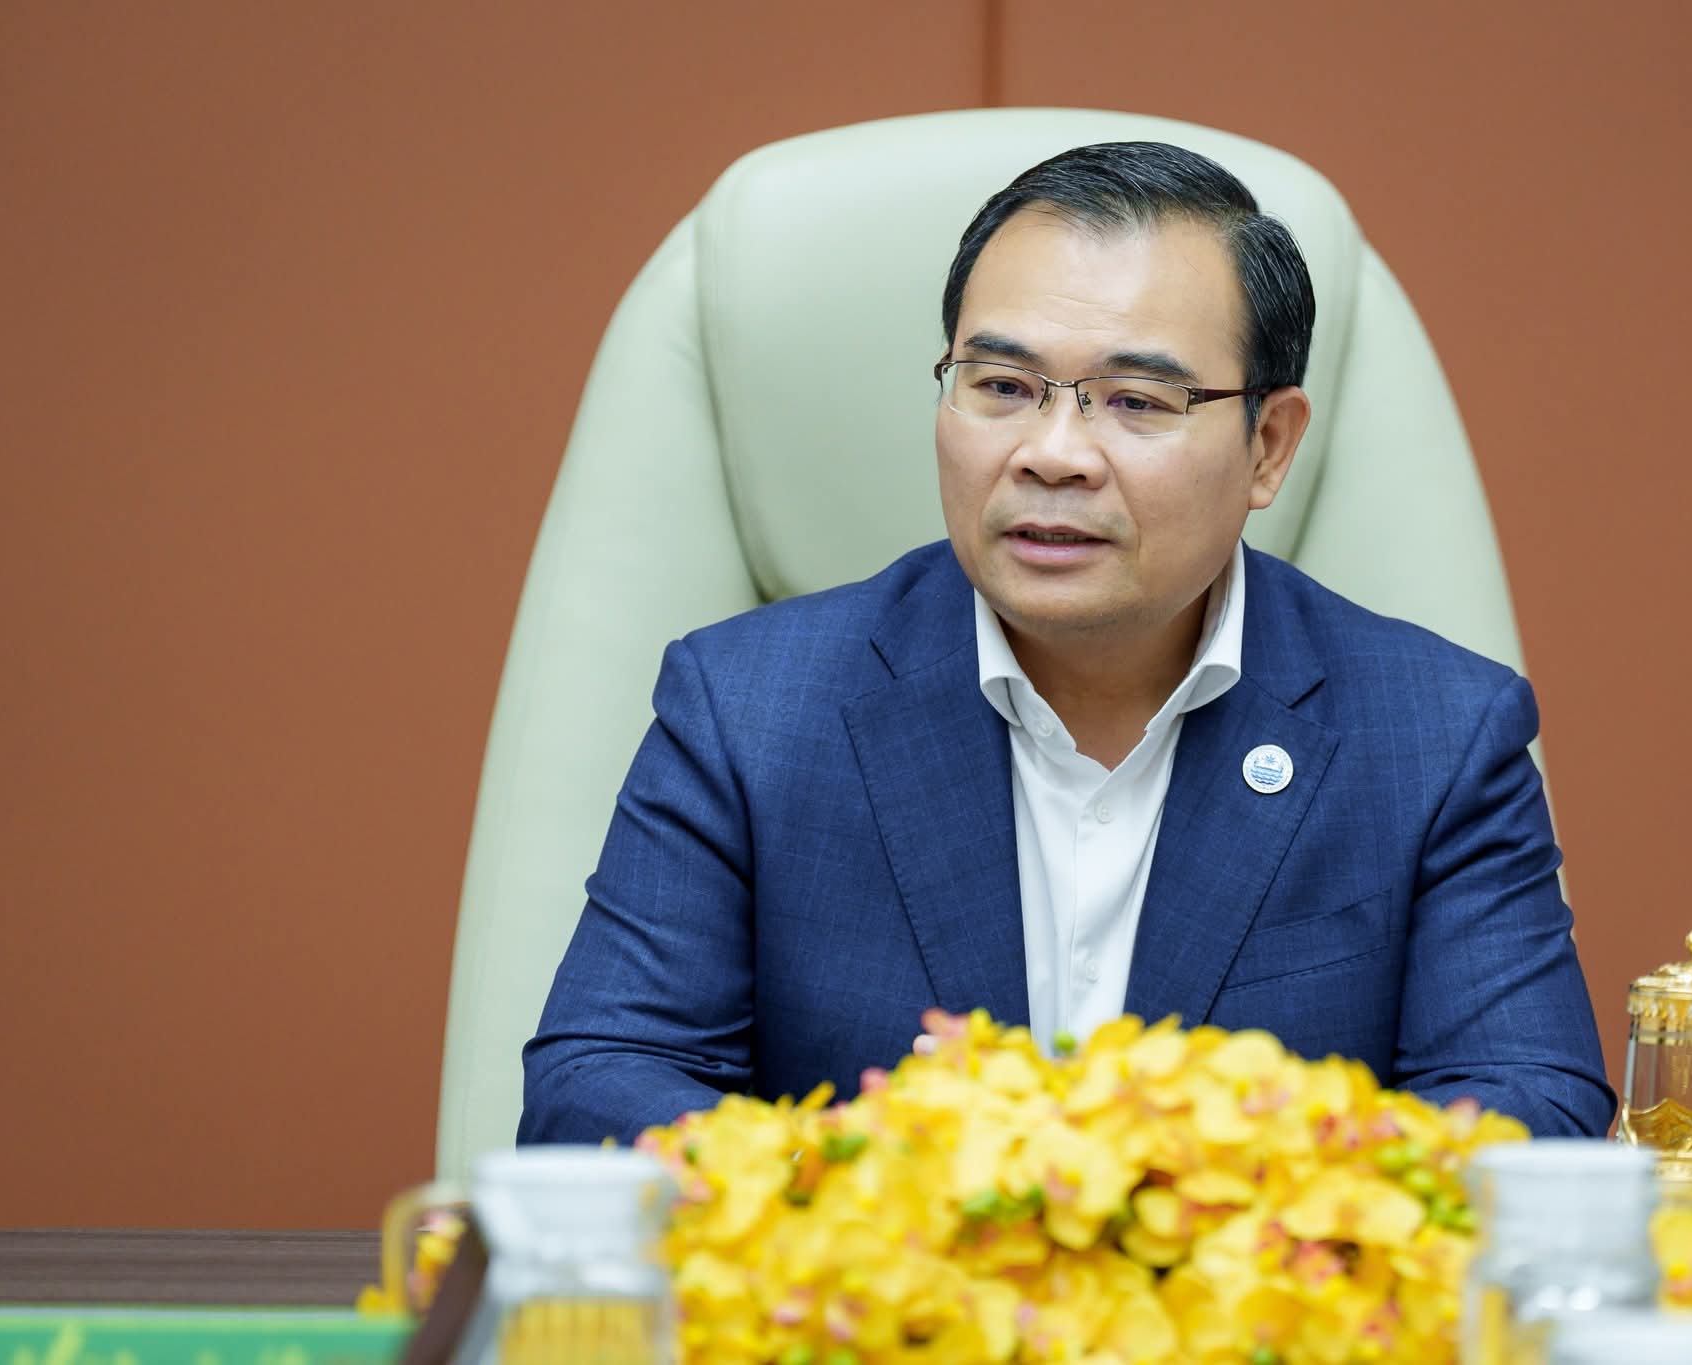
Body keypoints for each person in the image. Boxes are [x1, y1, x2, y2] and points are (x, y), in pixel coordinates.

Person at [518, 142, 1614, 1144]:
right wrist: (895, 1201)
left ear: (1268, 446)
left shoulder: (1435, 736)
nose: (1052, 453)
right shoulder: (749, 708)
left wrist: (1194, 1204)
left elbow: (1529, 1114)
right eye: (1001, 387)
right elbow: (595, 1087)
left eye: (1134, 401)